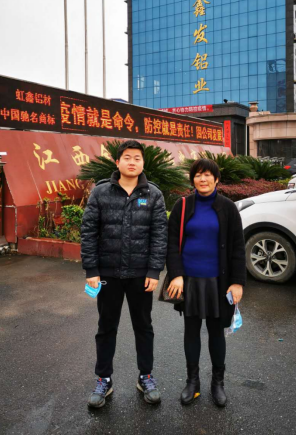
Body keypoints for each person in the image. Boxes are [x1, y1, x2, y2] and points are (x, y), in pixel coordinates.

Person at [81, 140, 168, 408]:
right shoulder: (101, 192)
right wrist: (91, 269)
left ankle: (146, 376)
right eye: (127, 157)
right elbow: (88, 231)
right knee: (106, 327)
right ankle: (104, 379)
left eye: (137, 158)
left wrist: (154, 270)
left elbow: (159, 235)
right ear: (117, 162)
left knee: (143, 326)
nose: (132, 162)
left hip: (141, 275)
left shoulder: (153, 194)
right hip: (108, 273)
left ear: (143, 163)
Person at [166, 158, 246, 407]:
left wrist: (237, 282)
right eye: (198, 175)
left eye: (208, 175)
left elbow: (238, 247)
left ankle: (217, 383)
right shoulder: (182, 206)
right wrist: (176, 274)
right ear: (193, 179)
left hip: (218, 282)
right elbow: (172, 243)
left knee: (216, 332)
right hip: (189, 281)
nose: (203, 179)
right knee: (191, 332)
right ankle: (192, 382)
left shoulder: (228, 208)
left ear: (216, 179)